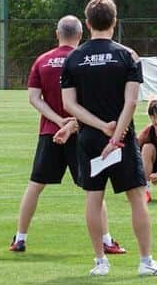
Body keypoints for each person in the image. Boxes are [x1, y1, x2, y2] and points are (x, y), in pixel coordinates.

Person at [59, 0, 157, 276]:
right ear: (115, 21)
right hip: (123, 138)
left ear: (87, 23)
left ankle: (100, 262)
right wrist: (116, 136)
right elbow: (131, 102)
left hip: (91, 139)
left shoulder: (74, 58)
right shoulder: (127, 55)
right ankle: (145, 261)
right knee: (136, 196)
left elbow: (69, 105)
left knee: (94, 198)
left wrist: (100, 128)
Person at [10, 15, 125, 255]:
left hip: (49, 132)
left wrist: (56, 120)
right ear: (81, 34)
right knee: (94, 190)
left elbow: (33, 98)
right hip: (83, 132)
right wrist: (71, 121)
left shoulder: (42, 60)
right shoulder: (84, 59)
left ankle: (20, 237)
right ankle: (106, 239)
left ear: (57, 33)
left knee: (35, 185)